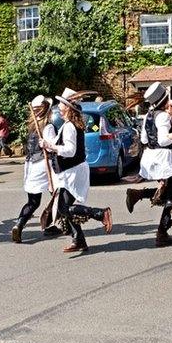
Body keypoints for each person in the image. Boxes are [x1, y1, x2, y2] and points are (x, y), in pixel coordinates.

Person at [41, 88, 113, 253]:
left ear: (68, 108)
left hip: (73, 172)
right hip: (72, 171)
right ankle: (78, 240)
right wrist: (47, 142)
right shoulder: (67, 125)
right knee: (65, 207)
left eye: (61, 104)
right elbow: (60, 145)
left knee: (63, 208)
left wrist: (50, 146)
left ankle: (100, 214)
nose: (59, 106)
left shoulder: (69, 127)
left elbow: (70, 150)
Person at [124, 81, 172, 248]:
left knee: (168, 193)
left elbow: (144, 139)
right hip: (165, 158)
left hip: (152, 156)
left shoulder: (149, 114)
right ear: (165, 99)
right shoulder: (162, 116)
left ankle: (138, 195)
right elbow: (163, 140)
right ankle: (161, 233)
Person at [11, 96, 58, 243]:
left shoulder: (32, 124)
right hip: (44, 164)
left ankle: (20, 224)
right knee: (57, 196)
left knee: (33, 201)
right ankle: (58, 224)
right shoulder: (48, 126)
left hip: (31, 164)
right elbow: (51, 146)